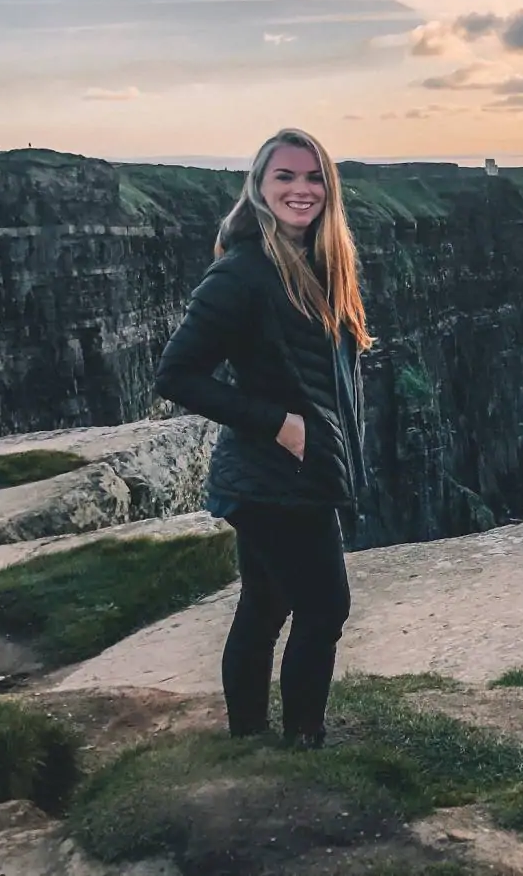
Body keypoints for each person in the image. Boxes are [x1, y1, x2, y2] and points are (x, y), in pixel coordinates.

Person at [154, 128, 372, 749]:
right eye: (285, 177)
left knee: (265, 606)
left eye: (314, 178)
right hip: (273, 477)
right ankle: (305, 740)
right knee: (325, 608)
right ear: (259, 186)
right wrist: (280, 424)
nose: (301, 190)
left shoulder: (319, 265)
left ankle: (247, 740)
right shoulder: (245, 272)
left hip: (298, 474)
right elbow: (177, 374)